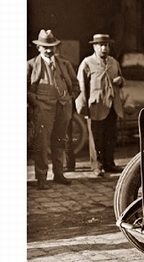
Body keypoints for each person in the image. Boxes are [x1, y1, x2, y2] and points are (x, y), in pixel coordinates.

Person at [27, 29, 81, 189]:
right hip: (42, 109)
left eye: (51, 47)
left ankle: (59, 174)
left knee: (60, 141)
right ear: (38, 48)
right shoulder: (31, 65)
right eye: (45, 47)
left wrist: (70, 98)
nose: (49, 50)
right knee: (41, 144)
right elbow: (24, 89)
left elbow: (75, 84)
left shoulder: (64, 64)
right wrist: (36, 102)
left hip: (63, 107)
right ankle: (41, 177)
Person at [76, 34, 125, 177]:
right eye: (101, 45)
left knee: (110, 136)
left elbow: (122, 80)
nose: (104, 48)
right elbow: (81, 86)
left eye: (107, 45)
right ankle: (97, 166)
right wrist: (84, 107)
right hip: (96, 106)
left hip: (112, 106)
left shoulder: (114, 62)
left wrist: (120, 80)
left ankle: (109, 164)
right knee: (96, 138)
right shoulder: (87, 63)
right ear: (94, 47)